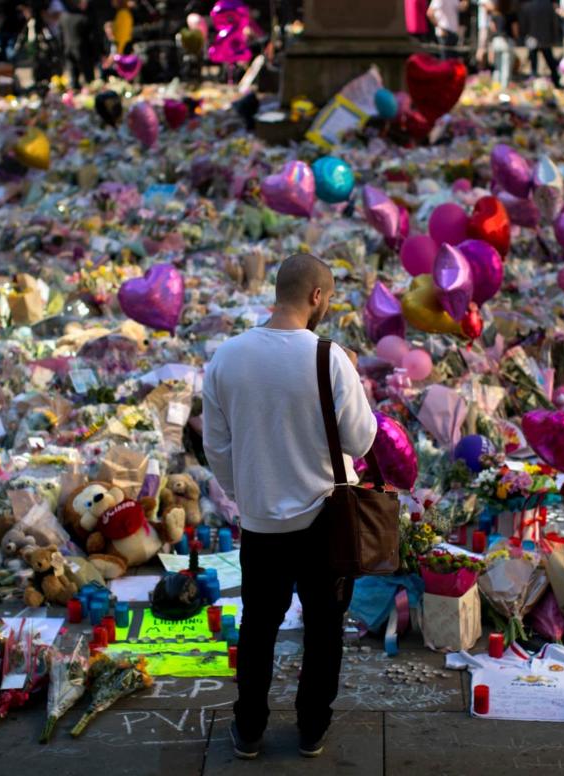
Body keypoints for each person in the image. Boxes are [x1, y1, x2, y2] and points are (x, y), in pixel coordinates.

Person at [202, 254, 377, 761]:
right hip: (326, 519)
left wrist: (246, 492)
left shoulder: (228, 356)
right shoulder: (329, 358)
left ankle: (250, 729)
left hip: (261, 523)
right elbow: (362, 441)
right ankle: (311, 729)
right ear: (317, 297)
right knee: (324, 629)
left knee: (258, 626)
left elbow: (217, 446)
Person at [520, 0, 561, 86]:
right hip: (545, 38)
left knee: (533, 64)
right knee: (550, 61)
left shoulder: (527, 6)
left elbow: (524, 24)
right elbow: (554, 22)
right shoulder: (548, 5)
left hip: (532, 38)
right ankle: (556, 81)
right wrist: (554, 37)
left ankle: (532, 82)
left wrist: (524, 36)